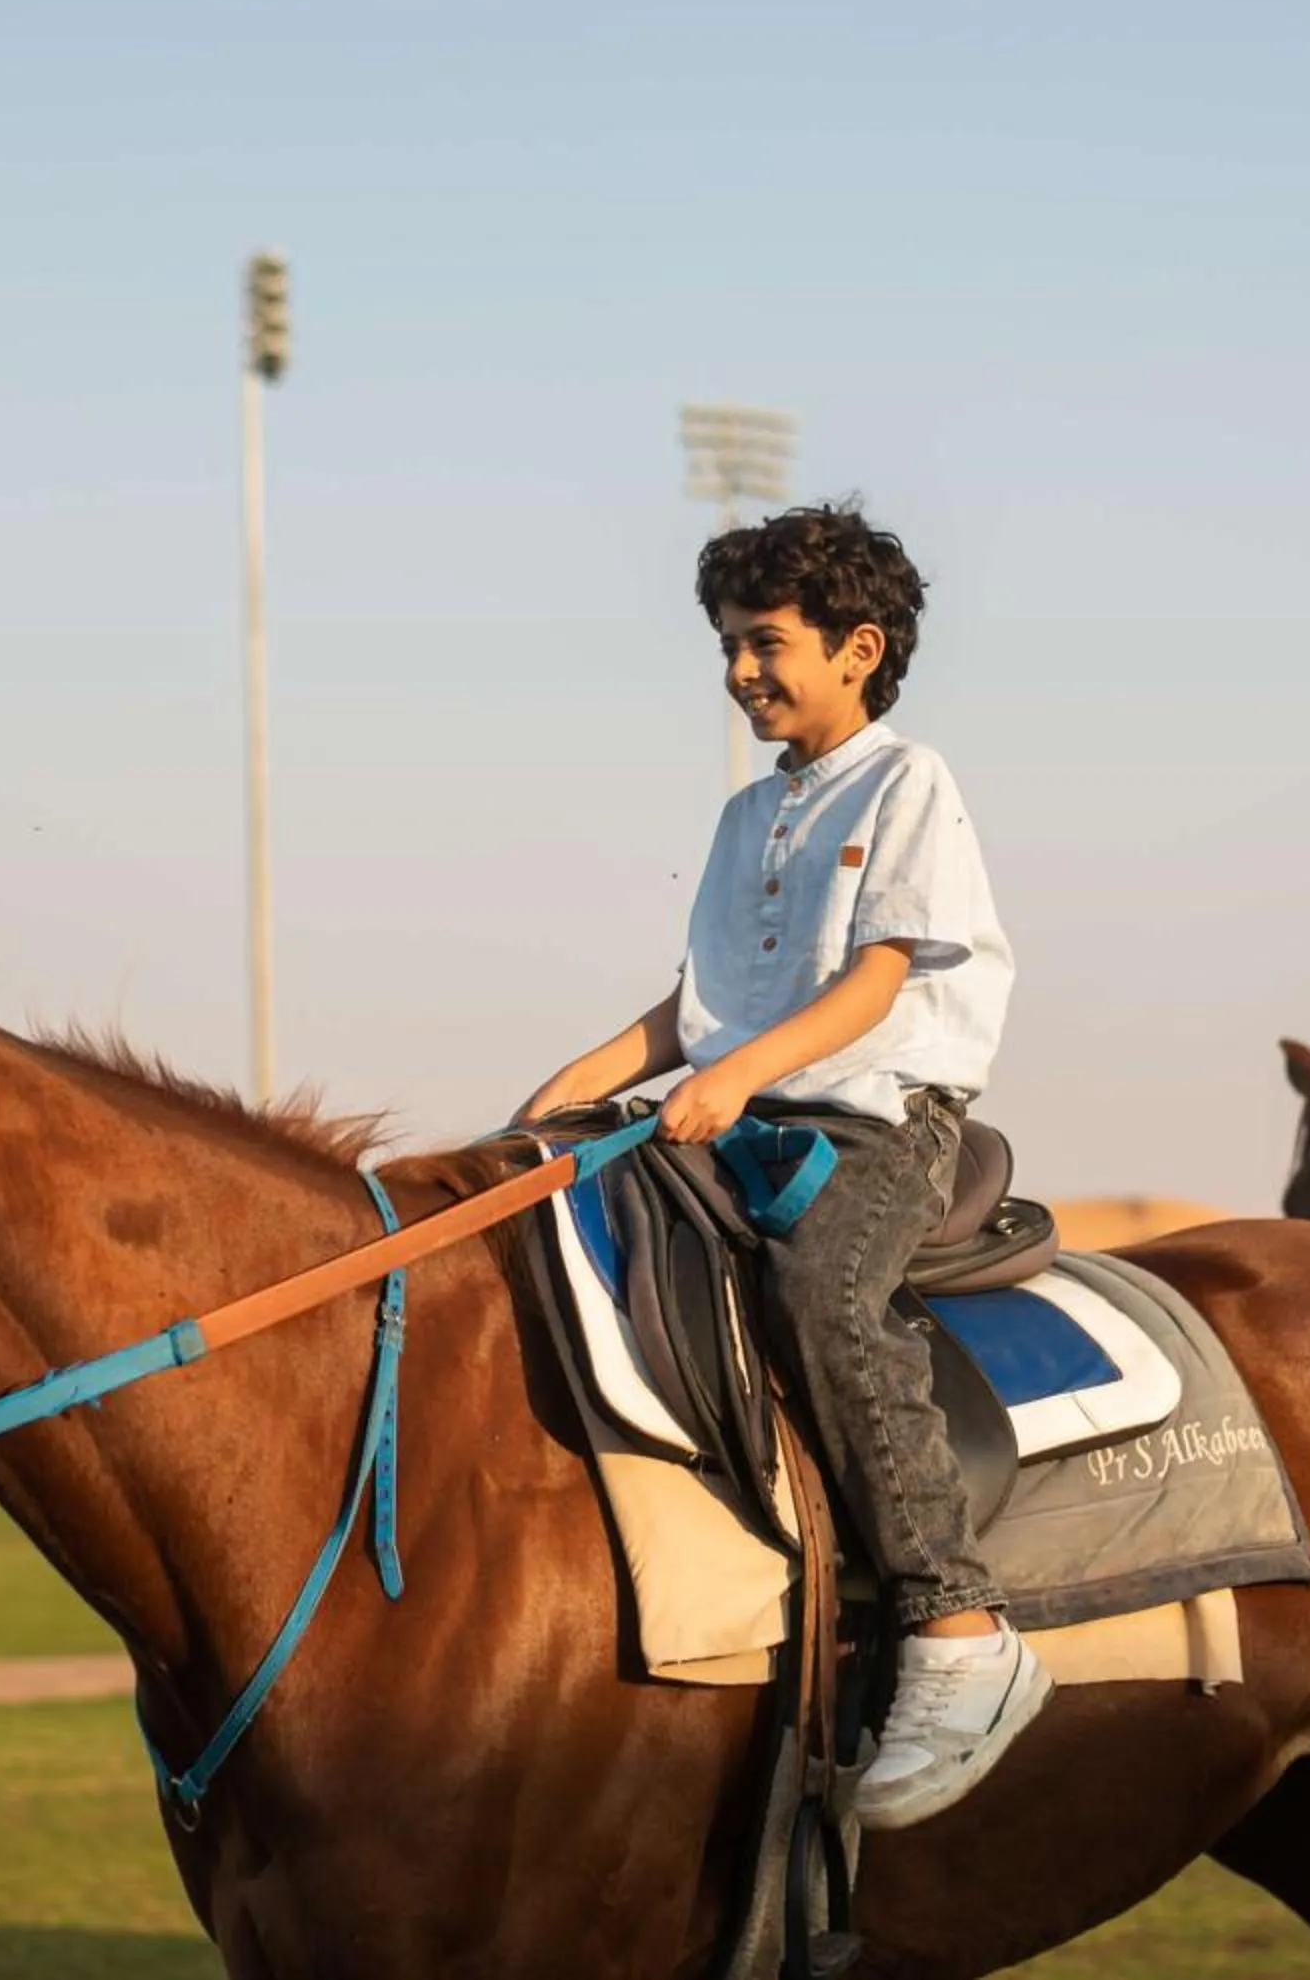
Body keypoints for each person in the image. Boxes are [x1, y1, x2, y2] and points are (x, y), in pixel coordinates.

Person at [515, 502, 1048, 1828]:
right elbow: (700, 1007)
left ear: (859, 648)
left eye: (766, 643)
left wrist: (738, 1076)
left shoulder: (908, 781)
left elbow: (876, 980)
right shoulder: (748, 810)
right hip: (736, 1107)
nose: (742, 672)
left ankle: (957, 1620)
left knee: (824, 1294)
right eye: (727, 649)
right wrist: (566, 1094)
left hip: (878, 1120)